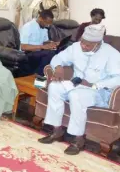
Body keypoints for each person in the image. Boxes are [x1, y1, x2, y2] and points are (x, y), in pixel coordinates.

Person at [38, 24, 120, 155]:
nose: (83, 46)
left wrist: (96, 84)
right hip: (75, 84)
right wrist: (58, 66)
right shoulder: (76, 47)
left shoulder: (111, 53)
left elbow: (118, 77)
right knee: (54, 87)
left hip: (97, 91)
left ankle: (78, 140)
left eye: (88, 45)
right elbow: (58, 57)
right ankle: (57, 131)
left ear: (98, 43)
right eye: (82, 42)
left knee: (76, 95)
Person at [20, 9, 57, 76]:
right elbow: (23, 47)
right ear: (40, 18)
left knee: (59, 50)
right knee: (50, 53)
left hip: (39, 52)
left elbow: (45, 42)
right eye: (46, 23)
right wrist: (41, 46)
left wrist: (53, 43)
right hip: (28, 53)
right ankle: (37, 75)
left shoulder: (44, 28)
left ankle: (49, 75)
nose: (47, 25)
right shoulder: (28, 27)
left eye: (49, 24)